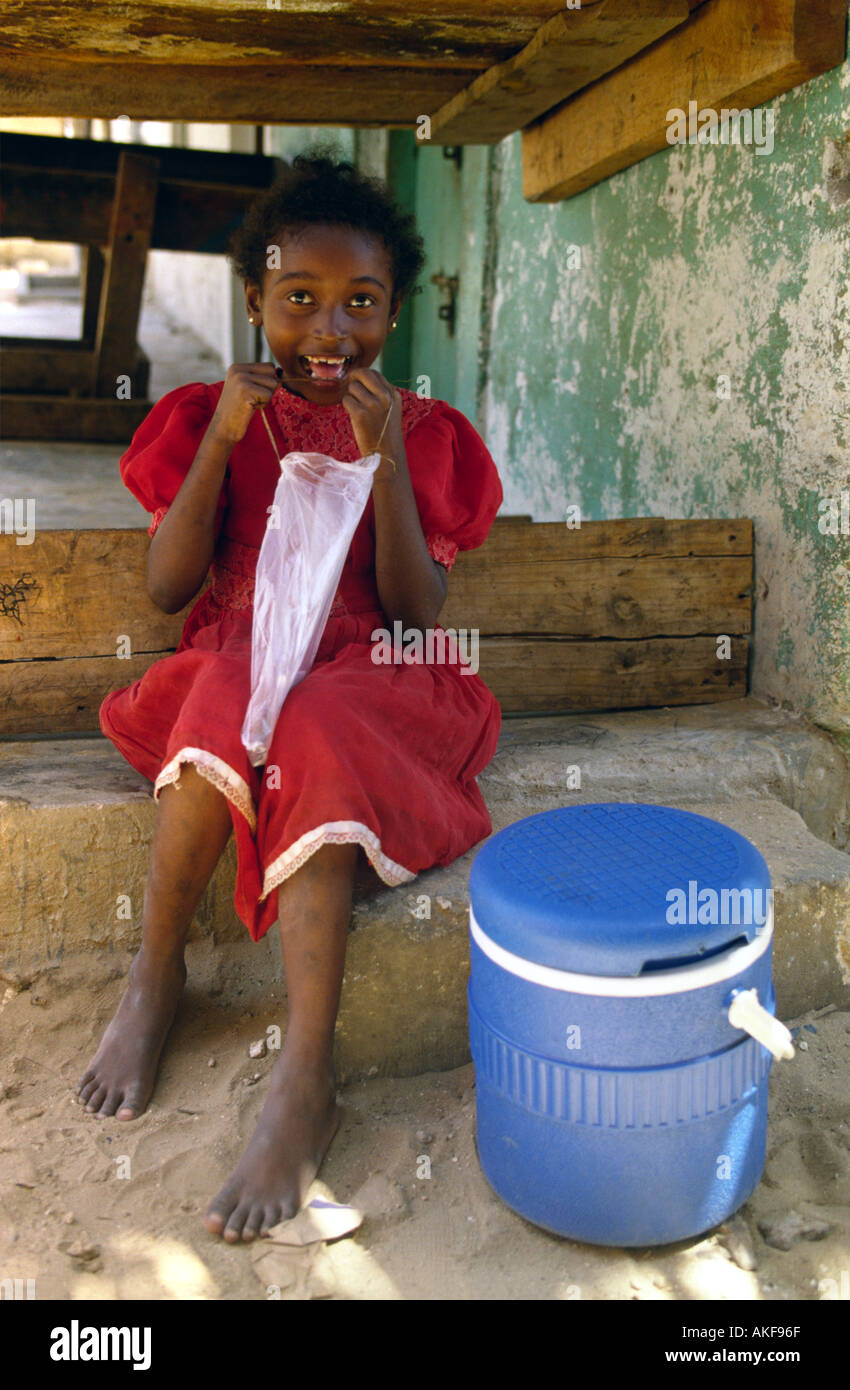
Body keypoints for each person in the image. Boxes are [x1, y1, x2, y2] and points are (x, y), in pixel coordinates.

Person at [76, 149, 504, 1243]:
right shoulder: (205, 418)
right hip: (235, 662)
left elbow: (415, 609)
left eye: (360, 302)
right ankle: (155, 974)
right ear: (255, 302)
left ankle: (306, 1071)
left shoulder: (420, 431)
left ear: (394, 312)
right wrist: (221, 441)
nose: (331, 328)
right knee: (226, 687)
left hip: (367, 678)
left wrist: (387, 461)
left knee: (308, 719)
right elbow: (170, 587)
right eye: (299, 299)